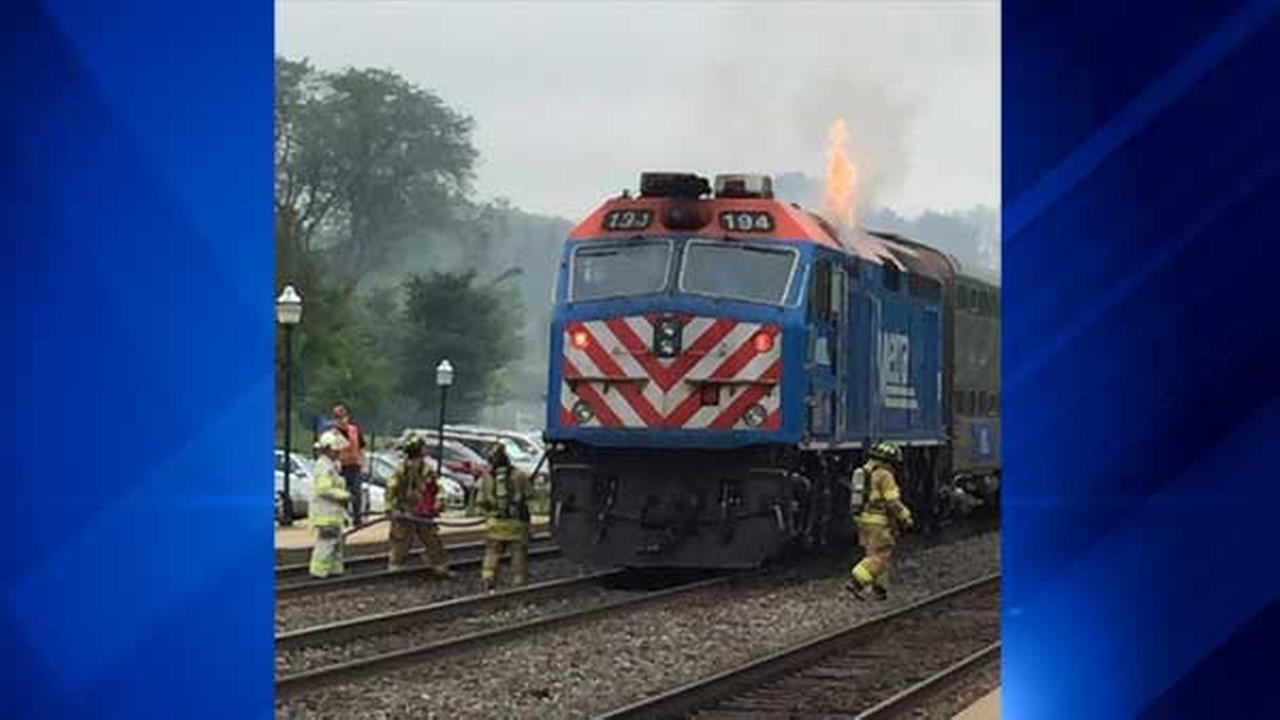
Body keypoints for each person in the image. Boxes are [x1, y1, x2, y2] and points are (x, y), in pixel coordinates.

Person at [846, 441, 914, 601]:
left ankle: (880, 589)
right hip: (878, 522)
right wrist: (905, 516)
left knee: (873, 554)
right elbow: (893, 502)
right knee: (881, 556)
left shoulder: (863, 471)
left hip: (863, 520)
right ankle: (856, 581)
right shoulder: (884, 475)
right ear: (889, 461)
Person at [386, 431, 453, 577]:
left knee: (431, 540)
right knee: (401, 540)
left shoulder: (426, 469)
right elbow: (392, 489)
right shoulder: (401, 470)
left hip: (423, 512)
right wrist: (391, 508)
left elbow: (436, 487)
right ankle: (395, 566)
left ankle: (439, 566)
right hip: (406, 511)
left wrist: (439, 501)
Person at [475, 441, 533, 591]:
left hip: (495, 523)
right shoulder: (519, 475)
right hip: (516, 523)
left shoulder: (486, 478)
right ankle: (518, 580)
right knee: (518, 553)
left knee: (492, 552)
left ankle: (488, 578)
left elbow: (480, 501)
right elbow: (529, 494)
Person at [309, 430, 352, 578]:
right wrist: (344, 495)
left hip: (333, 513)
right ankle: (318, 571)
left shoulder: (332, 465)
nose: (339, 452)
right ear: (327, 450)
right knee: (326, 543)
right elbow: (324, 489)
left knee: (336, 543)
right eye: (336, 450)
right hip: (325, 514)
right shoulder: (323, 466)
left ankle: (334, 570)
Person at [331, 405, 367, 527]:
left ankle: (357, 518)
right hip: (340, 467)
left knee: (356, 493)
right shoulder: (332, 434)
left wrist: (363, 461)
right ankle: (343, 518)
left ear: (347, 417)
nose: (341, 420)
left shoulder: (354, 430)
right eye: (338, 418)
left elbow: (361, 447)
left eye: (343, 417)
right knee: (342, 494)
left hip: (355, 466)